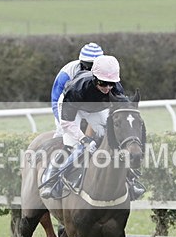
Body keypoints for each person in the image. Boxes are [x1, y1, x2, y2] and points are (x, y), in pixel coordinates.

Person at [40, 55, 144, 200]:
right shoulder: (76, 90)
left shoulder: (115, 88)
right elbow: (67, 123)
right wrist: (84, 139)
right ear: (94, 78)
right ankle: (51, 179)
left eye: (111, 84)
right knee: (72, 145)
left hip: (95, 109)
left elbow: (122, 112)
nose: (107, 88)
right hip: (72, 108)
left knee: (108, 138)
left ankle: (130, 180)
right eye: (103, 83)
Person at [51, 42, 104, 135]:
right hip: (68, 106)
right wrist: (63, 123)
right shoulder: (66, 74)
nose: (90, 72)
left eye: (95, 67)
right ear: (81, 62)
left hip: (91, 107)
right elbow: (56, 101)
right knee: (66, 133)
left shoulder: (106, 72)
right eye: (88, 66)